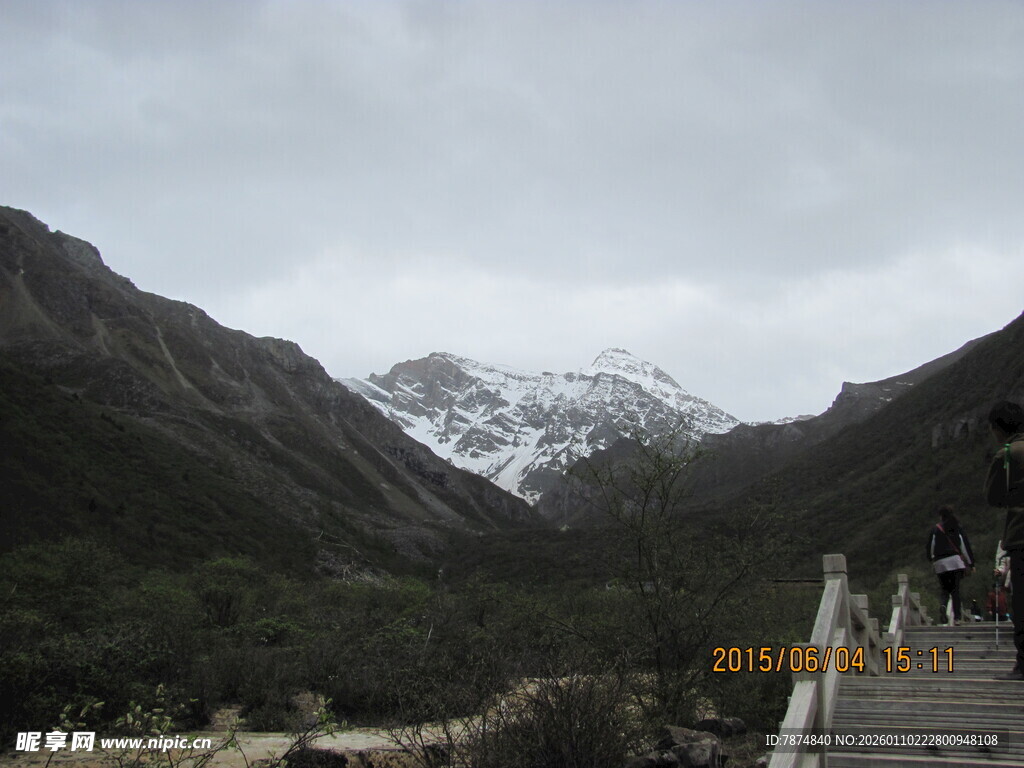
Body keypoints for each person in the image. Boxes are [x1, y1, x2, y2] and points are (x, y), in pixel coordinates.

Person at [984, 400, 1024, 680]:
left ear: (998, 429)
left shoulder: (1008, 454)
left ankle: (1023, 665)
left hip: (1021, 535)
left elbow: (993, 497)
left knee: (1022, 602)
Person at [926, 505, 975, 626]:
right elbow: (964, 546)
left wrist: (932, 559)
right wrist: (971, 563)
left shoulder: (936, 529)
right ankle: (957, 618)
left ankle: (943, 604)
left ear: (941, 516)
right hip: (954, 561)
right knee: (955, 590)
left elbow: (930, 547)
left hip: (940, 563)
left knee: (944, 589)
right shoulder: (957, 527)